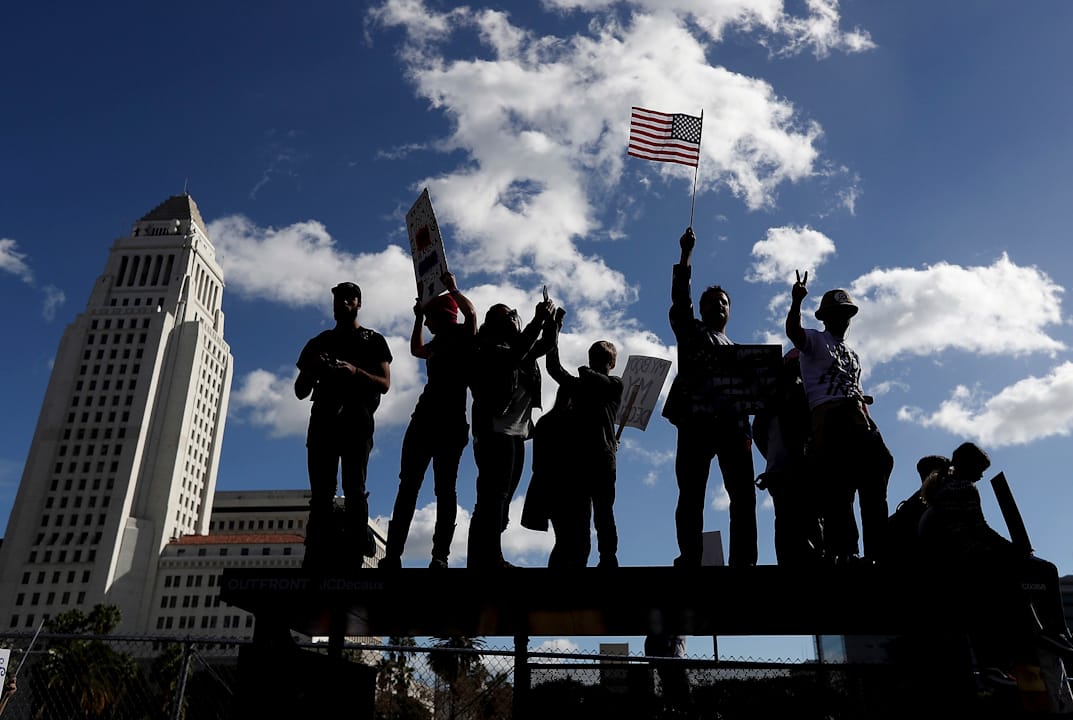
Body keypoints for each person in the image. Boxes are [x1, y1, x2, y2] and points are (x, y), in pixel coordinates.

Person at [918, 442, 1073, 665]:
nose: (981, 476)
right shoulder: (964, 488)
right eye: (980, 469)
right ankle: (1055, 630)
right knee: (1047, 570)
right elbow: (981, 530)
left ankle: (1036, 632)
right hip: (976, 559)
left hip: (962, 561)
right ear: (970, 466)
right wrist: (1015, 549)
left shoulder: (942, 488)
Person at [662, 227, 756, 567]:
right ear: (701, 310)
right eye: (711, 303)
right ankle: (691, 558)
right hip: (697, 422)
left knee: (743, 497)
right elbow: (679, 300)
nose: (718, 306)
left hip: (733, 427)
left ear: (730, 310)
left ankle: (743, 561)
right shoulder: (692, 332)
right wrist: (686, 255)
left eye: (724, 302)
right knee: (691, 495)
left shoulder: (739, 351)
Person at [785, 274, 893, 564]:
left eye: (845, 313)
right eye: (835, 313)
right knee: (839, 489)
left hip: (859, 419)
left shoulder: (852, 354)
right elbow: (793, 331)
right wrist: (797, 300)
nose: (841, 318)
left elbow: (853, 388)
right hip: (829, 417)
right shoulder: (815, 341)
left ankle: (876, 551)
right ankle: (845, 551)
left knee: (876, 476)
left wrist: (868, 421)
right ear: (824, 317)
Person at [379, 272, 476, 570]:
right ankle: (394, 554)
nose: (428, 322)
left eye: (431, 317)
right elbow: (416, 349)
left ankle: (440, 556)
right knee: (409, 486)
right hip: (425, 419)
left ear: (442, 316)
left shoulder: (463, 336)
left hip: (448, 423)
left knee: (443, 489)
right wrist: (418, 318)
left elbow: (471, 312)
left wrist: (453, 289)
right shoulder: (436, 343)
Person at [295, 281, 392, 570]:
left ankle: (352, 557)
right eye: (339, 299)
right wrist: (314, 368)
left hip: (357, 421)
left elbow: (385, 384)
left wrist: (354, 372)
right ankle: (314, 556)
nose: (343, 303)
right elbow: (300, 391)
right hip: (323, 420)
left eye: (350, 298)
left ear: (359, 303)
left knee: (354, 488)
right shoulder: (319, 342)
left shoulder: (373, 340)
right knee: (321, 492)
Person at [466, 297, 555, 568]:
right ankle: (488, 559)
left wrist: (552, 323)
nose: (514, 317)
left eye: (514, 314)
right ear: (496, 323)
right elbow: (515, 353)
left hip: (516, 434)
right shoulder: (488, 350)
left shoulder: (521, 352)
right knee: (494, 497)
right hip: (495, 432)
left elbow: (544, 345)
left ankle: (486, 556)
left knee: (500, 501)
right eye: (508, 315)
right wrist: (537, 320)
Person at [543, 313, 624, 568]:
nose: (596, 363)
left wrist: (585, 371)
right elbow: (553, 367)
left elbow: (588, 377)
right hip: (579, 462)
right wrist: (553, 332)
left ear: (609, 364)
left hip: (601, 460)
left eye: (601, 359)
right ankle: (583, 560)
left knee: (603, 514)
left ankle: (608, 557)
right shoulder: (580, 384)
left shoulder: (615, 385)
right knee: (581, 519)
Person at [752, 348, 823, 567]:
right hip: (785, 473)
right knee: (791, 524)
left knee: (803, 522)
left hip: (800, 470)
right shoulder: (775, 399)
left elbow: (760, 434)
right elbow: (760, 433)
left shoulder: (809, 394)